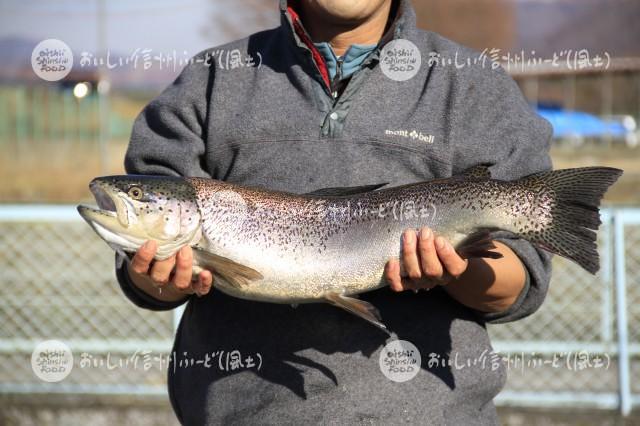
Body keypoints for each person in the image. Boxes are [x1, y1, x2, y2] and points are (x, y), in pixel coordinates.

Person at [115, 0, 553, 424]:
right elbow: (140, 275)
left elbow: (522, 282)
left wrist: (457, 270)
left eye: (134, 196)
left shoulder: (473, 83)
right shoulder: (210, 79)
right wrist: (156, 277)